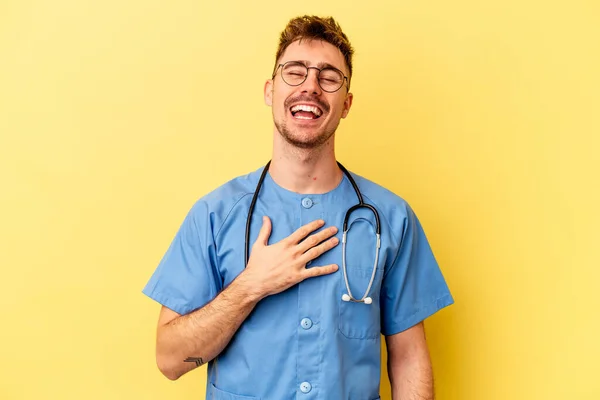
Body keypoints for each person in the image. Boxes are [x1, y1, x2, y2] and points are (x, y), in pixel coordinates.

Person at [142, 15, 454, 400]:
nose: (310, 87)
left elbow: (408, 358)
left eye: (329, 77)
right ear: (270, 91)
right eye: (295, 72)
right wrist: (250, 286)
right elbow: (170, 360)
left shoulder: (391, 219)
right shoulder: (214, 215)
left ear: (346, 104)